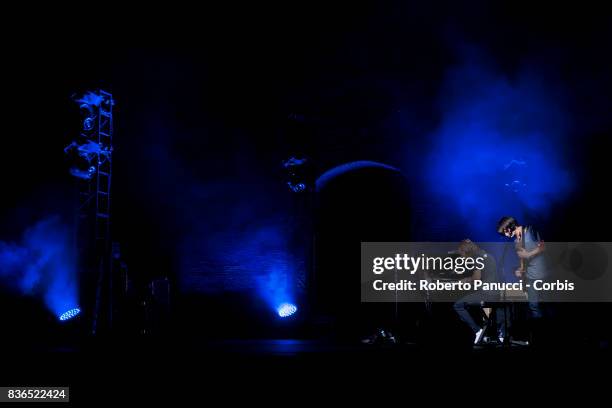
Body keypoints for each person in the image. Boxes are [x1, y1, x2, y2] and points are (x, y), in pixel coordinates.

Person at [452, 239, 506, 345]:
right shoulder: (486, 255)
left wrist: (465, 280)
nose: (462, 258)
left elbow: (476, 278)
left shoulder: (477, 258)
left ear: (465, 251)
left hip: (486, 294)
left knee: (458, 305)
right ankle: (499, 333)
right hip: (495, 293)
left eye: (461, 255)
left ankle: (477, 330)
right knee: (486, 311)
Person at [496, 216, 547, 320]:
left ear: (508, 228)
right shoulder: (516, 241)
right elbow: (522, 259)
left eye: (504, 233)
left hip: (542, 273)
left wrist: (528, 254)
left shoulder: (530, 230)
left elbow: (543, 247)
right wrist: (521, 269)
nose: (505, 235)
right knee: (533, 307)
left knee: (541, 305)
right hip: (530, 275)